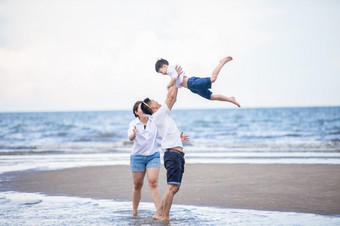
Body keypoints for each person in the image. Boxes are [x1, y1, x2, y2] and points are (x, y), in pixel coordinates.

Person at [141, 66, 186, 221]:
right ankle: (163, 216)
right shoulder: (158, 114)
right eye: (155, 101)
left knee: (175, 187)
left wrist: (176, 82)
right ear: (151, 107)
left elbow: (173, 98)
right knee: (172, 187)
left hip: (176, 153)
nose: (158, 102)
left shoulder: (160, 116)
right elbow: (171, 97)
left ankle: (159, 213)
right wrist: (174, 77)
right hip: (173, 154)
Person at [128, 100, 189, 216]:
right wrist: (134, 134)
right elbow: (130, 137)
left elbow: (163, 136)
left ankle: (158, 211)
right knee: (137, 185)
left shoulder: (154, 122)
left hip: (153, 155)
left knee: (153, 182)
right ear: (136, 112)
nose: (143, 109)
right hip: (137, 157)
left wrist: (177, 137)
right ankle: (134, 211)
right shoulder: (133, 124)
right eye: (140, 108)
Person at [155, 56, 241, 107]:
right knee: (212, 97)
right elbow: (175, 85)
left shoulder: (170, 69)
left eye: (161, 72)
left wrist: (168, 86)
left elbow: (174, 79)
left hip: (192, 83)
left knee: (213, 79)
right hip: (193, 88)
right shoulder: (171, 72)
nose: (162, 74)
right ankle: (230, 99)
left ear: (164, 66)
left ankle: (222, 62)